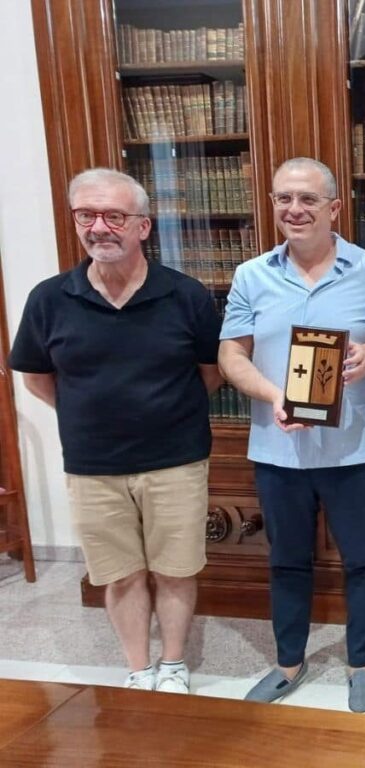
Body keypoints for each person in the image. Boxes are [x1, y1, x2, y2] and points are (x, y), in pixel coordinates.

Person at [9, 168, 222, 693]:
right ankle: (138, 666)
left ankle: (173, 665)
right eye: (87, 215)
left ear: (143, 227)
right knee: (118, 573)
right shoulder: (49, 299)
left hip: (176, 459)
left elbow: (212, 372)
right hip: (93, 466)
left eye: (114, 216)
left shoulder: (186, 296)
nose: (99, 227)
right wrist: (93, 415)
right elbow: (37, 377)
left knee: (174, 570)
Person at [218, 157, 365, 713]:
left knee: (362, 559)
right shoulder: (251, 275)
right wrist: (274, 396)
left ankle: (362, 663)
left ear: (334, 208)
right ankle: (288, 662)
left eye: (308, 199)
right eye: (283, 198)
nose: (295, 209)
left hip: (353, 449)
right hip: (277, 447)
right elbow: (230, 355)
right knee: (287, 560)